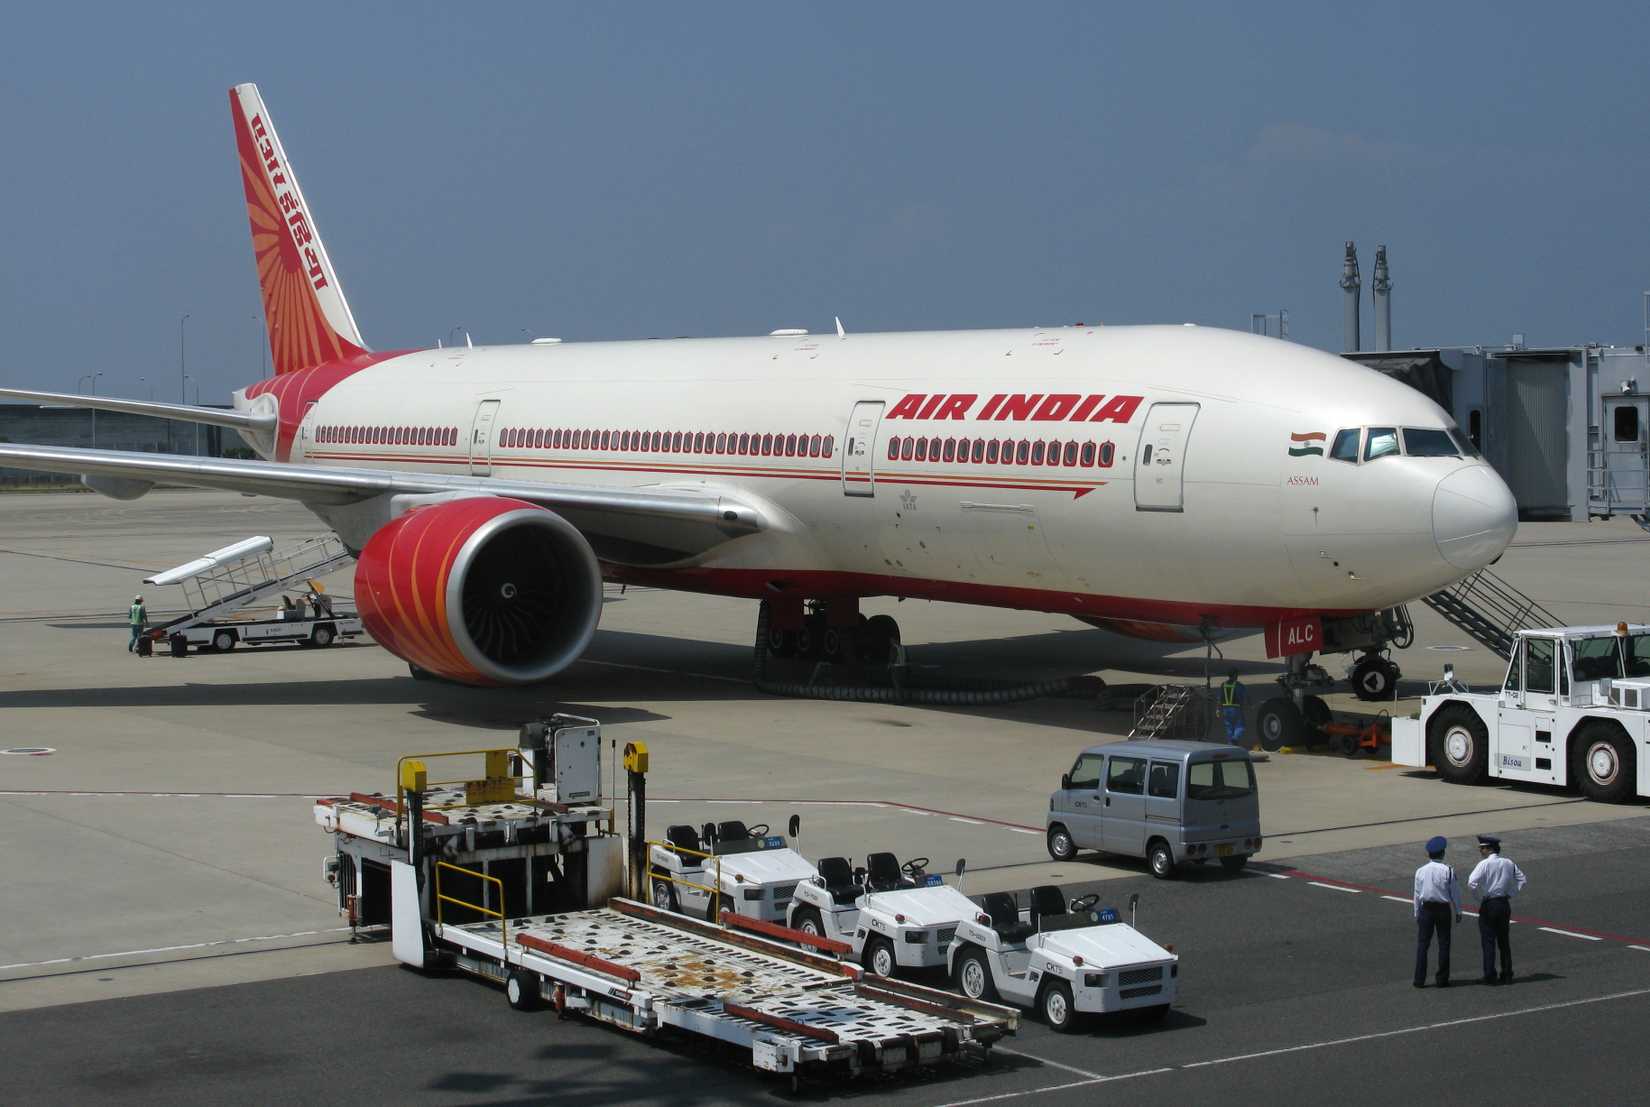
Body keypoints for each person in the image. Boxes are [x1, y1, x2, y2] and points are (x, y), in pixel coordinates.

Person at [1468, 834, 1527, 985]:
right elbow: (1522, 879)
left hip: (1489, 904)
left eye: (1482, 848)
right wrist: (1510, 894)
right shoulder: (1508, 862)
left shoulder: (1484, 864)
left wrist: (1480, 898)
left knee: (1488, 941)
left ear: (1489, 849)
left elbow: (1471, 883)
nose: (1480, 851)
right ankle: (1507, 974)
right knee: (1504, 941)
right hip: (1503, 903)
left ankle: (1490, 975)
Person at [1413, 835, 1461, 988]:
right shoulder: (1448, 870)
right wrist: (1458, 911)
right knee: (1444, 944)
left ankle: (1419, 980)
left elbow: (1416, 894)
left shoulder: (1420, 871)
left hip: (1426, 909)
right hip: (1442, 910)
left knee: (1423, 945)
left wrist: (1416, 913)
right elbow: (1455, 893)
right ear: (1442, 853)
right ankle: (1442, 979)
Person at [1219, 670, 1247, 746]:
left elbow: (1220, 698)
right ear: (1234, 675)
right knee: (1241, 726)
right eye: (1236, 675)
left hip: (1225, 709)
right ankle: (1235, 738)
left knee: (1229, 727)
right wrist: (1247, 705)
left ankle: (1230, 744)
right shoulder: (1239, 686)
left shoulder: (1223, 685)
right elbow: (1243, 697)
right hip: (1236, 708)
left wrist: (1218, 709)